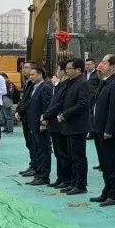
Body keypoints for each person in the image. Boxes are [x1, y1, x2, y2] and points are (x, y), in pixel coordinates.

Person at [41, 58, 91, 195]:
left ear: (78, 69)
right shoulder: (70, 82)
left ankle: (80, 185)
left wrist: (65, 114)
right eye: (66, 68)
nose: (67, 71)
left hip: (77, 126)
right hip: (68, 125)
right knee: (72, 157)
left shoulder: (82, 83)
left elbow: (83, 104)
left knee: (78, 158)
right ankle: (73, 182)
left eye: (70, 68)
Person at [90, 55, 115, 207]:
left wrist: (109, 129)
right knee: (104, 163)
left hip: (108, 130)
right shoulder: (106, 81)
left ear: (113, 66)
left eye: (104, 62)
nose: (101, 65)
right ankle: (107, 190)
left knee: (111, 162)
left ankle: (114, 194)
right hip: (99, 128)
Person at [22, 65, 53, 185]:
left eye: (33, 74)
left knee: (43, 150)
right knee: (38, 149)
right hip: (33, 124)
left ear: (40, 75)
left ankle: (43, 176)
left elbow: (46, 105)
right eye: (30, 75)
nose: (30, 77)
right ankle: (39, 173)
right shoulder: (34, 87)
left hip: (40, 124)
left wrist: (44, 122)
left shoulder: (45, 87)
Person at [46, 60, 73, 189]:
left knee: (63, 153)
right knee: (58, 153)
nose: (56, 72)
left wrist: (46, 115)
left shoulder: (66, 85)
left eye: (58, 69)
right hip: (53, 122)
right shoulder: (59, 85)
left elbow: (58, 104)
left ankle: (66, 179)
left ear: (63, 71)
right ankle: (60, 178)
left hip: (59, 123)